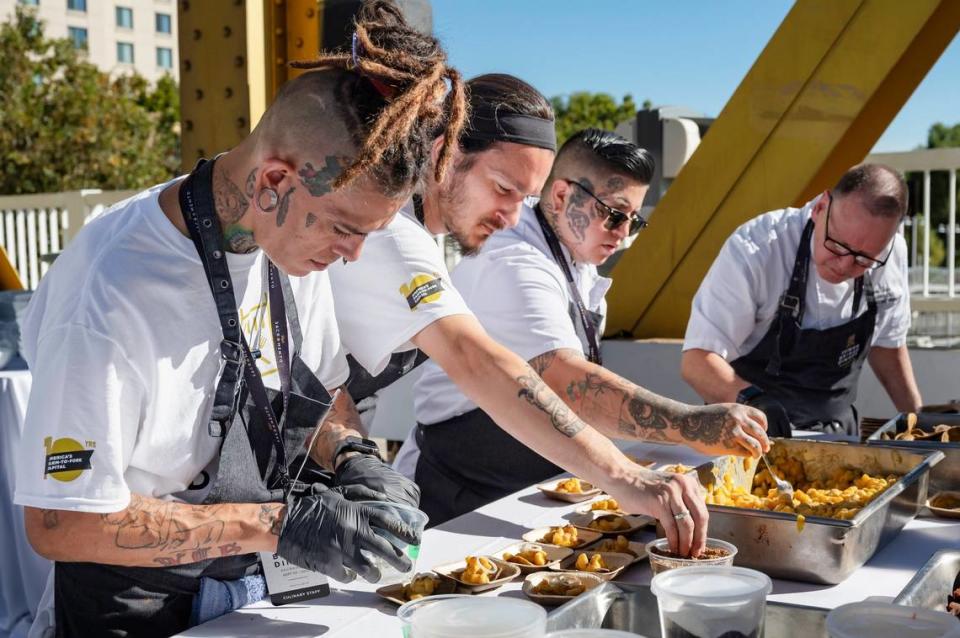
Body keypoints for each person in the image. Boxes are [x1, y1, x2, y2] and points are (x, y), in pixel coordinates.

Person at [13, 2, 464, 636]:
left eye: (370, 235)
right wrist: (282, 526)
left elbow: (318, 390)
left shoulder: (290, 245)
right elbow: (60, 523)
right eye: (344, 228)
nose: (352, 255)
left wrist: (356, 455)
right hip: (135, 608)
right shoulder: (109, 289)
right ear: (274, 179)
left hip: (254, 588)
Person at [329, 80, 768, 557]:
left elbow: (329, 378)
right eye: (503, 188)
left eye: (526, 198)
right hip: (459, 487)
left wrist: (351, 455)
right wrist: (642, 462)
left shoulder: (462, 236)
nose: (513, 216)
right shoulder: (410, 237)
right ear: (445, 155)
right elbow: (501, 366)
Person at [409, 128, 770, 531]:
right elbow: (564, 381)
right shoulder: (514, 261)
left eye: (634, 221)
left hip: (534, 475)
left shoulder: (575, 254)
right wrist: (690, 424)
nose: (622, 233)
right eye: (614, 214)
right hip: (463, 488)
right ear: (562, 196)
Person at [681, 163, 922, 437]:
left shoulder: (890, 255)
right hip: (751, 435)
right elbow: (697, 362)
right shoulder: (758, 248)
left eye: (863, 259)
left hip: (839, 436)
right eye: (837, 245)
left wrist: (921, 423)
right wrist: (751, 400)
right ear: (821, 207)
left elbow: (887, 346)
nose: (844, 265)